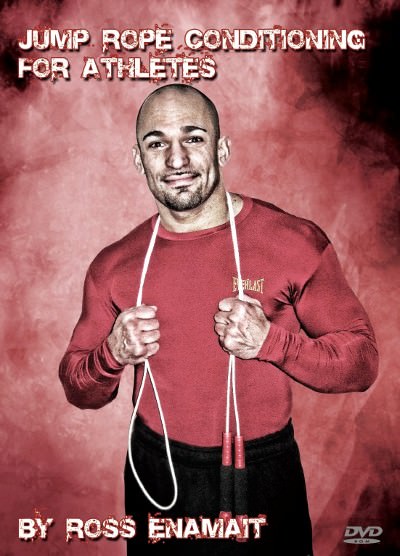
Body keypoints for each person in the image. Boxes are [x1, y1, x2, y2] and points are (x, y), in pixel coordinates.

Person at [59, 84, 379, 555]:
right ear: (138, 160)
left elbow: (362, 363)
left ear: (222, 149)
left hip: (262, 469)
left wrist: (272, 343)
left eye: (193, 138)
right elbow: (76, 386)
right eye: (157, 143)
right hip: (157, 467)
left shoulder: (293, 242)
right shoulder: (114, 266)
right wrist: (112, 354)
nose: (176, 159)